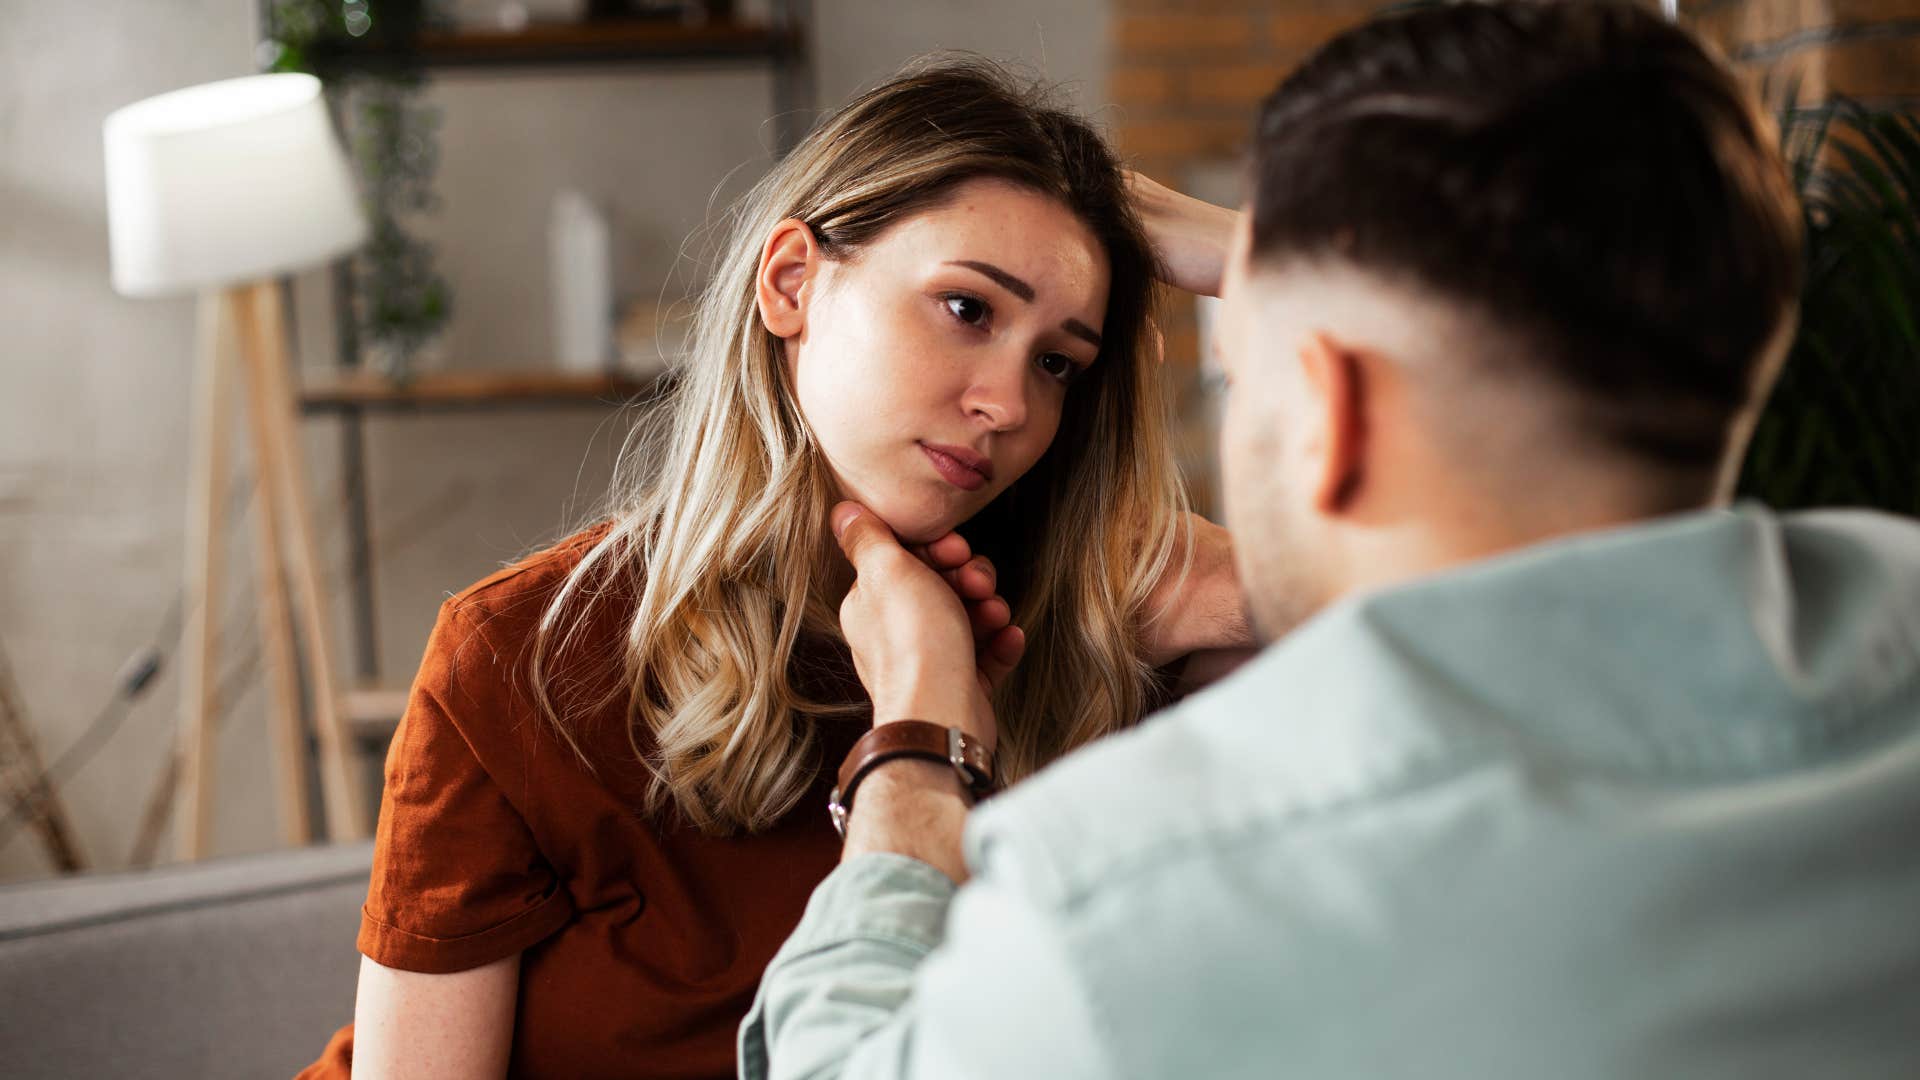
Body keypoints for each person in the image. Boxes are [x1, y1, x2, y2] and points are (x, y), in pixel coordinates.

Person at [742, 3, 1920, 1078]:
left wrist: (917, 744)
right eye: (968, 309)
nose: (1009, 405)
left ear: (1327, 410)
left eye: (1238, 375)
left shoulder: (1117, 902)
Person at [300, 59, 1252, 1079]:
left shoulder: (1109, 633)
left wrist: (1249, 256)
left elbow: (1438, 599)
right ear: (792, 281)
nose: (1009, 406)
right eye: (968, 309)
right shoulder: (527, 658)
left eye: (1057, 361)